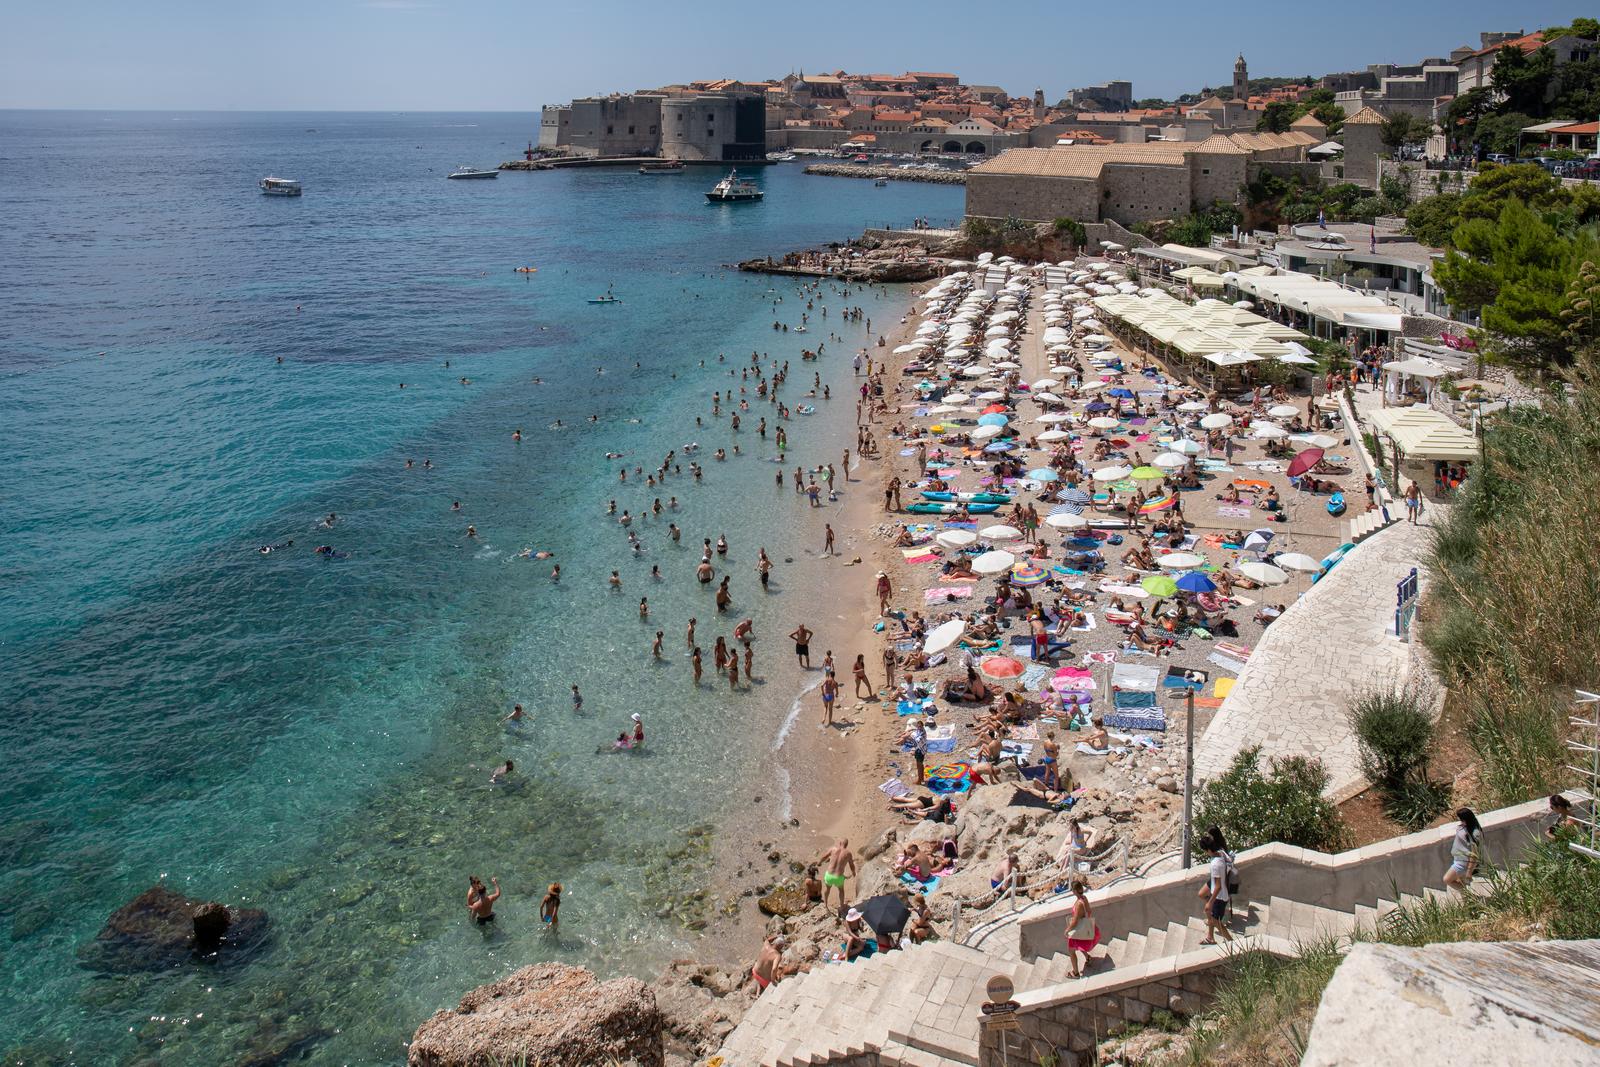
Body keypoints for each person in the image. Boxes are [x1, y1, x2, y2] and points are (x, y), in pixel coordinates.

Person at [1199, 829, 1234, 944]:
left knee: (1216, 921)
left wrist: (1210, 902)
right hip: (1219, 888)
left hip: (1219, 895)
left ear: (1208, 850)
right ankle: (1210, 937)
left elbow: (1218, 886)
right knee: (1202, 894)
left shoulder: (1215, 864)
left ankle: (1231, 942)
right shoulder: (1220, 852)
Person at [1063, 879, 1099, 977]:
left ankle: (1075, 972)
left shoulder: (1079, 903)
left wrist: (1067, 930)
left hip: (1079, 930)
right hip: (1085, 928)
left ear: (1074, 891)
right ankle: (1088, 958)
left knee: (1071, 951)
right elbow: (1089, 911)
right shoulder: (1084, 898)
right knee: (1079, 945)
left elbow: (1075, 921)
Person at [1443, 807, 1482, 890]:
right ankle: (1467, 898)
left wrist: (1469, 871)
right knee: (1459, 881)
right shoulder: (1464, 826)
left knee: (1447, 879)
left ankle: (1469, 895)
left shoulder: (1475, 833)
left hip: (1463, 863)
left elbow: (1475, 854)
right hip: (1458, 859)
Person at [820, 839, 856, 914]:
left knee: (827, 889)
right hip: (838, 877)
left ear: (840, 843)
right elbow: (851, 865)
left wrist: (819, 862)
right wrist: (853, 872)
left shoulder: (833, 849)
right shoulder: (848, 853)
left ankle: (825, 905)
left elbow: (824, 857)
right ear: (846, 845)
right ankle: (842, 906)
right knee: (841, 890)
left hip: (829, 875)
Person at [897, 717, 928, 784]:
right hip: (920, 749)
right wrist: (906, 736)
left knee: (919, 765)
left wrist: (906, 737)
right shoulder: (920, 730)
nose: (918, 727)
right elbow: (913, 733)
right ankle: (921, 778)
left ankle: (920, 780)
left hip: (920, 750)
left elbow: (916, 739)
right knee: (920, 764)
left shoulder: (922, 733)